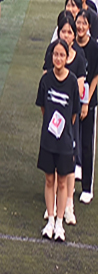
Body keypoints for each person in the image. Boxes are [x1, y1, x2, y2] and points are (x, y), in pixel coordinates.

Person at [42, 11, 87, 227]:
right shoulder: (52, 52)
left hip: (69, 121)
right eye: (63, 31)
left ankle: (69, 204)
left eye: (70, 32)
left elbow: (79, 90)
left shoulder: (79, 57)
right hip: (52, 121)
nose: (67, 35)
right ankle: (52, 207)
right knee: (51, 167)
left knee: (68, 163)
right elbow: (44, 86)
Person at [37, 38, 79, 242]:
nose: (58, 58)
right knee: (49, 180)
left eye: (62, 55)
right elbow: (43, 108)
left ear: (67, 57)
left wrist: (64, 131)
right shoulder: (45, 80)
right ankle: (51, 220)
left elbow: (73, 114)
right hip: (48, 140)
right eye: (56, 55)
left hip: (64, 142)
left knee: (62, 182)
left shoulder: (72, 82)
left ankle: (60, 223)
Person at [74, 9, 98, 205]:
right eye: (78, 22)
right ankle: (69, 181)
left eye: (84, 23)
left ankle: (87, 188)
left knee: (87, 144)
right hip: (72, 101)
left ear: (89, 26)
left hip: (88, 101)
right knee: (70, 141)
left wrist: (86, 102)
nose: (80, 26)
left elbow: (95, 75)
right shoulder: (71, 45)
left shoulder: (94, 47)